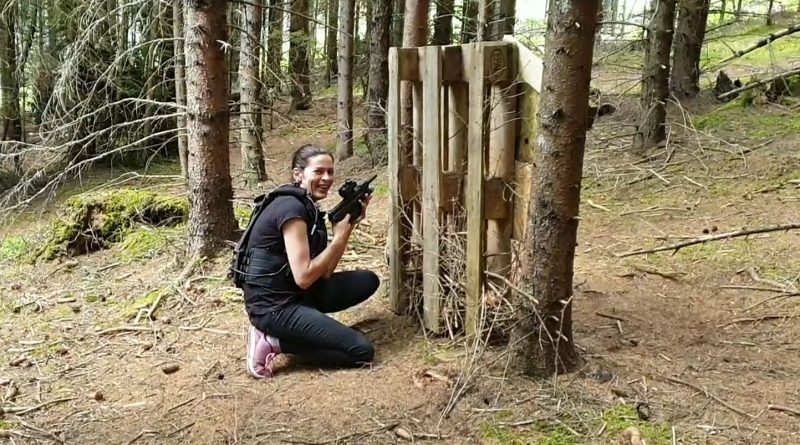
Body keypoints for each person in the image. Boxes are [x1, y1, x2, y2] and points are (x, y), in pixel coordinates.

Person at [241, 144, 379, 379]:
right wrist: (337, 239)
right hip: (274, 308)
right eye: (318, 172)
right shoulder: (291, 209)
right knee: (361, 352)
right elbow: (305, 277)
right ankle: (273, 340)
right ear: (298, 175)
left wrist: (347, 229)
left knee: (368, 280)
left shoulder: (308, 207)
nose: (326, 178)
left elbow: (323, 274)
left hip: (294, 293)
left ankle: (307, 326)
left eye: (330, 172)